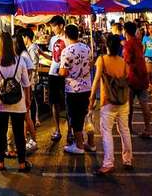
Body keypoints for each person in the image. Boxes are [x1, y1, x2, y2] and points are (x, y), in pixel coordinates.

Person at [0, 32, 32, 173]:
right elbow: (26, 83)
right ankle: (22, 164)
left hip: (0, 102)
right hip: (18, 102)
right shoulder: (20, 61)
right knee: (19, 132)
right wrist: (28, 99)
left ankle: (0, 162)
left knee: (0, 132)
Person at [89, 35, 132, 175]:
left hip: (108, 101)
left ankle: (108, 163)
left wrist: (91, 98)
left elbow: (96, 80)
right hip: (123, 100)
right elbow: (128, 79)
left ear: (106, 46)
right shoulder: (123, 62)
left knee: (106, 131)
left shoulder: (102, 60)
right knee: (124, 130)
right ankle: (128, 160)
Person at [59, 24, 95, 154]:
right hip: (87, 87)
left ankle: (79, 145)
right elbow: (91, 65)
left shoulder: (66, 51)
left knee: (75, 117)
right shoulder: (87, 48)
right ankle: (91, 143)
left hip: (73, 89)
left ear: (66, 36)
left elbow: (63, 72)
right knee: (87, 115)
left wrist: (62, 71)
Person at [123, 21, 151, 138]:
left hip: (132, 77)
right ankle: (147, 129)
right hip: (142, 76)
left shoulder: (128, 44)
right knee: (144, 104)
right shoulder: (138, 42)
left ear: (125, 31)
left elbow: (127, 61)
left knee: (129, 105)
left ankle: (129, 128)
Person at [14, 30, 38, 154]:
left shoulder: (23, 55)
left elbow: (29, 73)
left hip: (26, 90)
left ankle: (33, 140)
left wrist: (26, 88)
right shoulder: (23, 54)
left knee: (26, 117)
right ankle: (25, 141)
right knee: (25, 117)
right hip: (25, 89)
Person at [45, 16, 67, 142]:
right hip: (53, 73)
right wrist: (41, 54)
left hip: (65, 73)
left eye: (54, 26)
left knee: (67, 101)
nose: (52, 28)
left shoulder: (68, 38)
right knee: (54, 101)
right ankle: (57, 129)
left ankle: (70, 131)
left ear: (61, 26)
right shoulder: (53, 39)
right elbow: (53, 57)